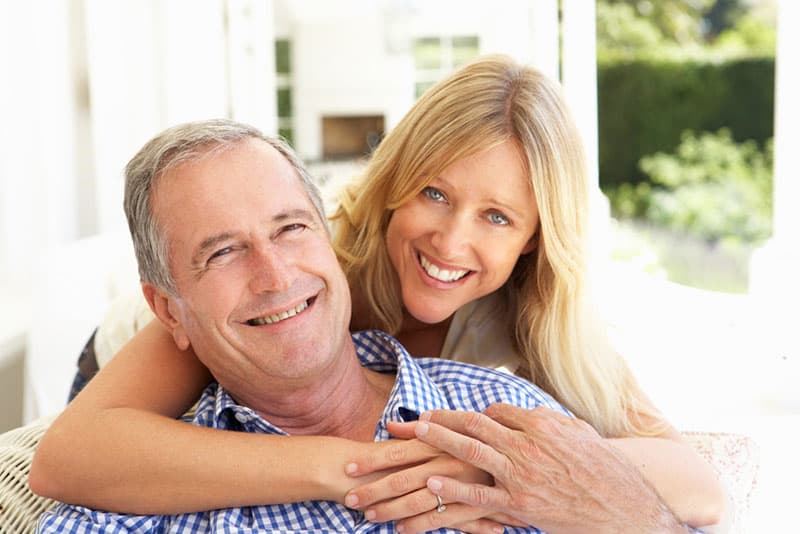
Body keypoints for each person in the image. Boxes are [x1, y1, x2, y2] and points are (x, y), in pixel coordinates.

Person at [30, 56, 727, 531]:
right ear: (393, 183)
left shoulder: (530, 325)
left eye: (497, 217)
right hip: (138, 358)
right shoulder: (298, 270)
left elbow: (696, 485)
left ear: (533, 242)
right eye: (433, 193)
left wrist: (501, 466)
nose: (451, 244)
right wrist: (359, 465)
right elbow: (71, 457)